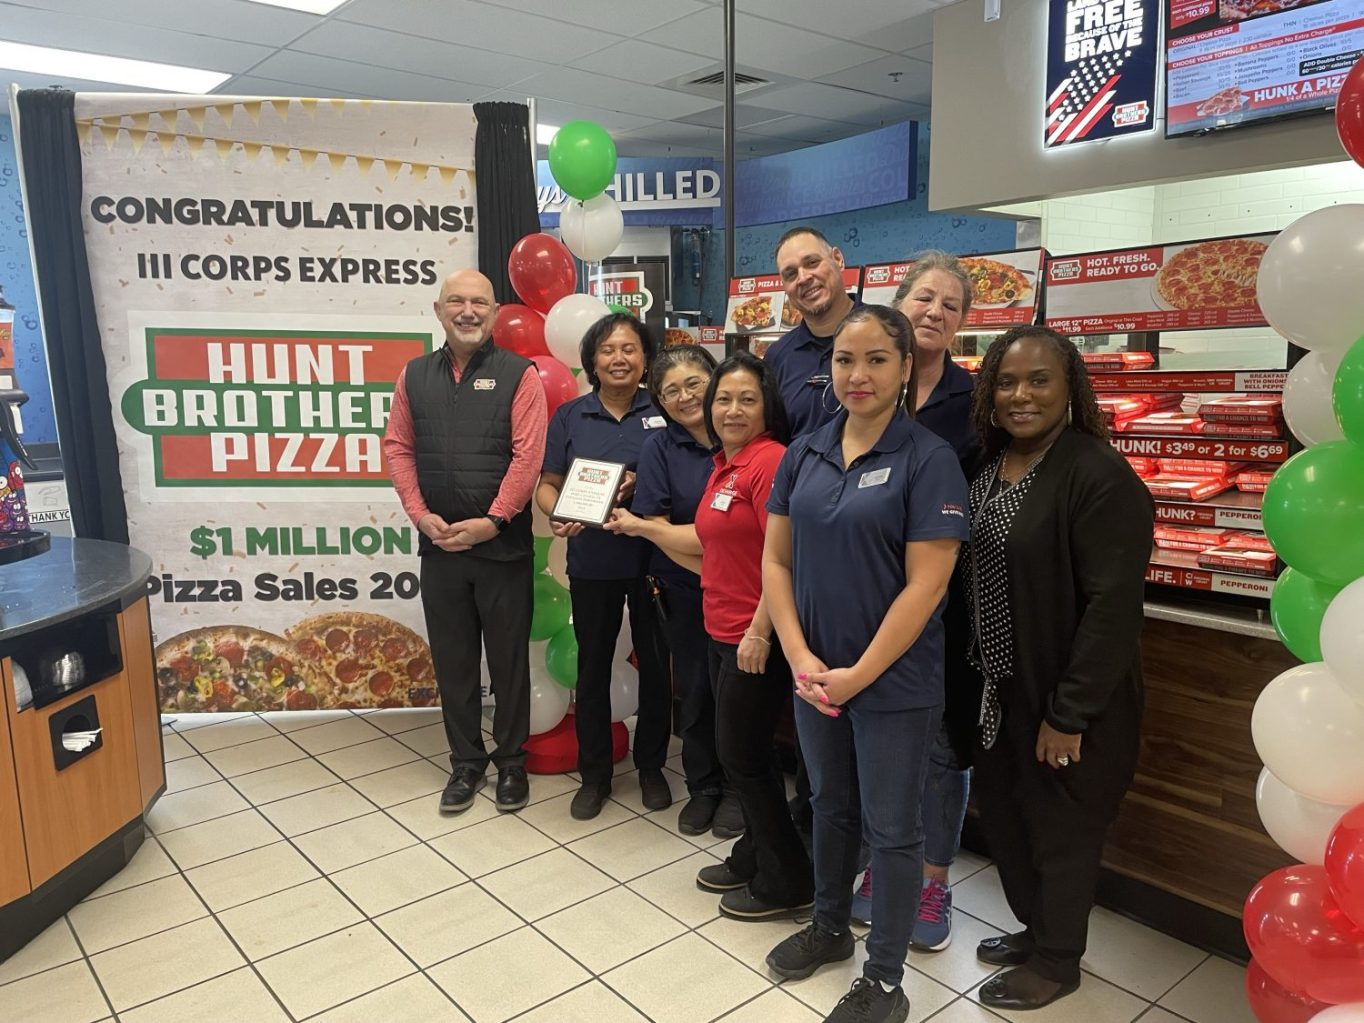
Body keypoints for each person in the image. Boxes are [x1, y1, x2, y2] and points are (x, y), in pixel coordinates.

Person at [762, 305, 967, 1023]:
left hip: (896, 683)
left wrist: (859, 674)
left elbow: (927, 584)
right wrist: (798, 653)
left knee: (892, 827)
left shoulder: (928, 458)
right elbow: (777, 560)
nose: (859, 374)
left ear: (906, 367)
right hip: (814, 677)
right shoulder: (806, 451)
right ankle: (826, 925)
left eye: (877, 359)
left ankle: (884, 975)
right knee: (829, 805)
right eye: (846, 361)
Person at [962, 326, 1153, 1010]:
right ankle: (1036, 929)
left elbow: (1113, 607)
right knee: (1013, 822)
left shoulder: (1096, 474)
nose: (1021, 395)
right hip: (998, 692)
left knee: (1062, 832)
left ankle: (1057, 959)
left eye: (1039, 380)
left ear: (1070, 387)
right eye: (1007, 381)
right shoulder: (989, 466)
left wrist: (1069, 714)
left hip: (1067, 703)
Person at [382, 268, 547, 815]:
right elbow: (397, 448)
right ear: (438, 310)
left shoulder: (519, 375)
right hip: (440, 548)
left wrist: (495, 519)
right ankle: (465, 763)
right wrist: (420, 514)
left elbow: (528, 457)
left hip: (501, 549)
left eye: (479, 302)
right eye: (457, 301)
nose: (468, 311)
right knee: (453, 663)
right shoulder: (413, 376)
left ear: (495, 313)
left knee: (507, 664)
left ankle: (512, 763)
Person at [853, 250, 979, 947]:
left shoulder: (974, 400)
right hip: (864, 591)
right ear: (896, 302)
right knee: (873, 734)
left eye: (949, 305)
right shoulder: (860, 382)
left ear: (961, 323)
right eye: (922, 298)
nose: (932, 312)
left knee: (939, 744)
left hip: (947, 599)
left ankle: (932, 883)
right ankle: (880, 862)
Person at [691, 351, 814, 921]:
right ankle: (754, 852)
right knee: (746, 752)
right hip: (721, 629)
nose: (732, 409)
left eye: (747, 399)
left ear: (768, 406)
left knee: (744, 758)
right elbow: (718, 548)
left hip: (753, 637)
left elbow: (786, 556)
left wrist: (761, 630)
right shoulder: (726, 464)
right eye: (723, 398)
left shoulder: (771, 462)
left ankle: (787, 879)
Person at [536, 313, 672, 821]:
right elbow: (547, 484)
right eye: (608, 349)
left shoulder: (663, 411)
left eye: (630, 349)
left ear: (645, 358)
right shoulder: (571, 416)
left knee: (658, 666)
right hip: (592, 562)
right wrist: (559, 513)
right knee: (592, 667)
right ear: (592, 359)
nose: (619, 358)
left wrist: (645, 482)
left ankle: (653, 765)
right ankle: (595, 775)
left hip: (656, 561)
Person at [605, 346, 745, 839]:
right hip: (683, 591)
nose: (685, 397)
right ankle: (703, 784)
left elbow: (752, 534)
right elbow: (654, 527)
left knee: (741, 696)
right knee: (695, 692)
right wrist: (713, 560)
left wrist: (681, 541)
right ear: (660, 402)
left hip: (749, 595)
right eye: (670, 391)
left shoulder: (745, 437)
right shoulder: (660, 449)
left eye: (694, 383)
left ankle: (737, 789)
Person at [765, 226, 858, 439]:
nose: (804, 277)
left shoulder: (886, 333)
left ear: (838, 259)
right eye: (790, 274)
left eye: (812, 263)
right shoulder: (777, 357)